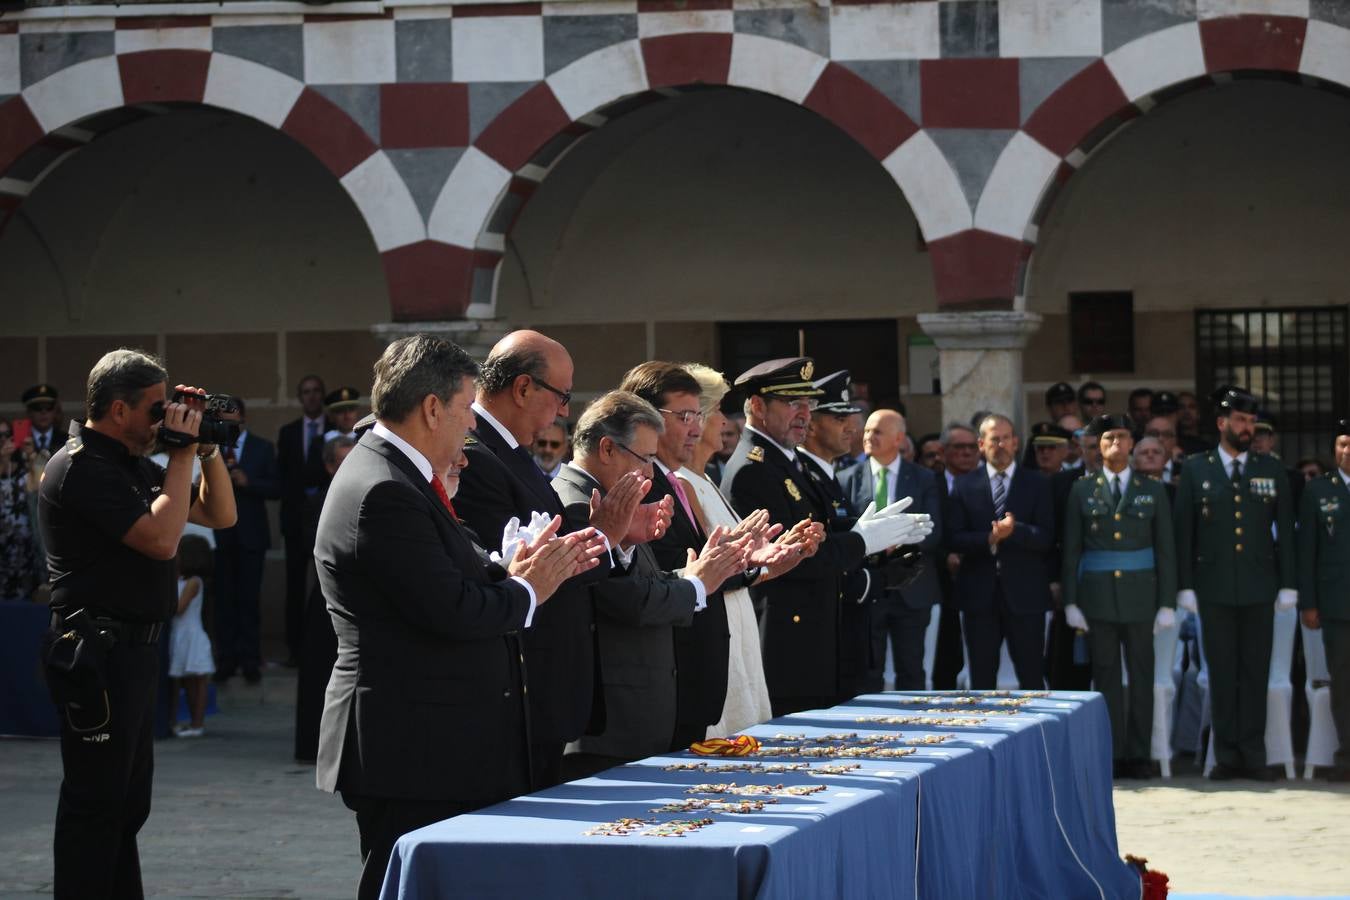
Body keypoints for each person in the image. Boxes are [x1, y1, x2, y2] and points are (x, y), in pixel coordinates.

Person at [314, 334, 603, 900]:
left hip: (433, 744)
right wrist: (528, 588)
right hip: (409, 747)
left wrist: (511, 569)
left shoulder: (402, 475)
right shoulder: (384, 489)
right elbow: (451, 609)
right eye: (467, 407)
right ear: (431, 408)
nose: (472, 423)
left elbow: (457, 571)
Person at [38, 348, 236, 898]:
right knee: (95, 806)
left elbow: (220, 515)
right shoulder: (80, 465)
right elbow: (162, 539)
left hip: (133, 654)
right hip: (95, 655)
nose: (164, 421)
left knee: (127, 806)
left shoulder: (131, 464)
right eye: (157, 410)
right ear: (118, 410)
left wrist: (206, 449)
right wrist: (179, 454)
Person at [455, 330, 631, 787]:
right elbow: (515, 567)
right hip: (522, 683)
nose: (565, 411)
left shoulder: (511, 454)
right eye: (563, 396)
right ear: (523, 388)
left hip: (544, 682)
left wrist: (612, 536)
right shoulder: (476, 457)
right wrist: (604, 538)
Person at [721, 357, 927, 714]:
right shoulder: (752, 470)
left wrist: (869, 540)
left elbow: (822, 534)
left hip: (816, 640)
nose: (804, 413)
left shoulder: (784, 461)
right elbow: (791, 558)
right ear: (757, 406)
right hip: (788, 646)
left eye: (808, 404)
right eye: (791, 403)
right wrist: (862, 540)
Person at [557, 390, 750, 770]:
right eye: (644, 458)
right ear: (608, 449)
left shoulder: (612, 497)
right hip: (611, 725)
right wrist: (696, 585)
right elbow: (625, 599)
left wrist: (693, 572)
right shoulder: (576, 503)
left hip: (638, 720)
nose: (649, 473)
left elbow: (642, 581)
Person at [620, 361, 809, 742]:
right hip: (676, 672)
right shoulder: (647, 485)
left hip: (712, 656)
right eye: (689, 415)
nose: (710, 424)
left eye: (699, 414)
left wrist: (754, 561)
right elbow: (676, 571)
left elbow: (705, 565)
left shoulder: (676, 481)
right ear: (649, 418)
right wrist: (742, 561)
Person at [677, 363, 817, 734]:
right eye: (719, 411)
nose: (726, 421)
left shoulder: (705, 477)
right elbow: (710, 568)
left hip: (737, 622)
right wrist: (751, 559)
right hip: (716, 628)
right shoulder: (682, 482)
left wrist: (776, 557)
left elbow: (738, 565)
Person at [1174, 387, 1296, 781]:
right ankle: (1226, 755)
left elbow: (1286, 535)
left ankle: (1253, 753)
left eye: (1251, 422)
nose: (1247, 428)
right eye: (1240, 421)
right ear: (1222, 423)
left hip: (1261, 586)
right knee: (1223, 673)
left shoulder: (1271, 468)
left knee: (1255, 671)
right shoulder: (1196, 468)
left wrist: (1288, 583)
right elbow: (1184, 532)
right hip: (1213, 586)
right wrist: (1185, 585)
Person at [1061, 414, 1177, 779]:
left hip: (1142, 595)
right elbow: (1072, 550)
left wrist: (1167, 602)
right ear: (1098, 444)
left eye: (1122, 437)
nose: (1115, 444)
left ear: (1132, 443)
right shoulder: (1082, 489)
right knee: (1106, 676)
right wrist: (1071, 601)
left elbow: (1166, 549)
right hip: (1097, 597)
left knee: (1142, 676)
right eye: (1108, 437)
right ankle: (1112, 753)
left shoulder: (1152, 488)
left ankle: (1139, 754)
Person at [945, 414, 1054, 689]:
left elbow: (1047, 537)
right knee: (981, 678)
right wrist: (990, 538)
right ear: (982, 444)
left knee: (1031, 675)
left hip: (1026, 595)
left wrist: (1014, 531)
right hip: (979, 597)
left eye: (1007, 438)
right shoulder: (964, 484)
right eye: (995, 439)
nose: (1001, 444)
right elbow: (954, 537)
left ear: (1016, 443)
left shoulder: (1038, 483)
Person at [838, 406, 942, 691]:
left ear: (899, 439)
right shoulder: (847, 478)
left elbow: (934, 532)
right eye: (867, 430)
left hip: (912, 587)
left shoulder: (923, 478)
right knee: (870, 672)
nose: (869, 436)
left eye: (878, 431)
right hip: (868, 587)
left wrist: (898, 539)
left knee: (912, 671)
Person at [210, 398, 280, 684]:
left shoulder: (262, 448)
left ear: (244, 419)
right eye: (223, 420)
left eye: (233, 420)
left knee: (249, 601)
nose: (229, 425)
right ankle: (226, 659)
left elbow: (277, 487)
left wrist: (248, 481)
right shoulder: (211, 449)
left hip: (251, 535)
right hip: (220, 535)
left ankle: (250, 659)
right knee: (223, 601)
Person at [294, 434, 354, 763]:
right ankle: (311, 745)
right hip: (324, 599)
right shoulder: (317, 502)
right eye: (341, 462)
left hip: (355, 599)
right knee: (319, 674)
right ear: (330, 466)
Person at [1296, 420, 1350, 781]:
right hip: (1336, 602)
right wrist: (1309, 602)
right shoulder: (1318, 490)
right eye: (1343, 444)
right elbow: (1307, 551)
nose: (1347, 451)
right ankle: (1346, 753)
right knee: (1343, 680)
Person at [277, 374, 330, 666]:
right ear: (300, 397)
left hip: (328, 518)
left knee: (326, 584)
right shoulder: (289, 433)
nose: (311, 396)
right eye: (306, 392)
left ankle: (322, 646)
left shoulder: (335, 430)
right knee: (294, 586)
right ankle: (295, 649)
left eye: (316, 391)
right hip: (297, 522)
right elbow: (283, 480)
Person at [169, 534, 215, 738]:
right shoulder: (178, 580)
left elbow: (179, 608)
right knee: (182, 681)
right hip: (179, 635)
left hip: (191, 636)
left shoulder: (194, 582)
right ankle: (177, 721)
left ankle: (198, 723)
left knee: (198, 680)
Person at [1, 417, 41, 601]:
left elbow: (41, 490)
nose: (4, 441)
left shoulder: (25, 471)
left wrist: (31, 456)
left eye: (8, 435)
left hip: (24, 556)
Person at [23, 383, 69, 453]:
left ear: (54, 411)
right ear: (29, 412)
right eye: (37, 408)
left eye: (48, 407)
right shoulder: (20, 440)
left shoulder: (66, 440)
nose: (43, 412)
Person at [1144, 415, 1181, 483]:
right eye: (1154, 434)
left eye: (1167, 434)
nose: (1160, 439)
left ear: (1175, 441)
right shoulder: (1132, 470)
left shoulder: (1185, 471)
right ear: (1144, 439)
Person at [1176, 390, 1209, 455]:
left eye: (1192, 407)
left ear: (1198, 413)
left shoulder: (1209, 446)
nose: (1186, 412)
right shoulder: (1171, 443)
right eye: (1181, 407)